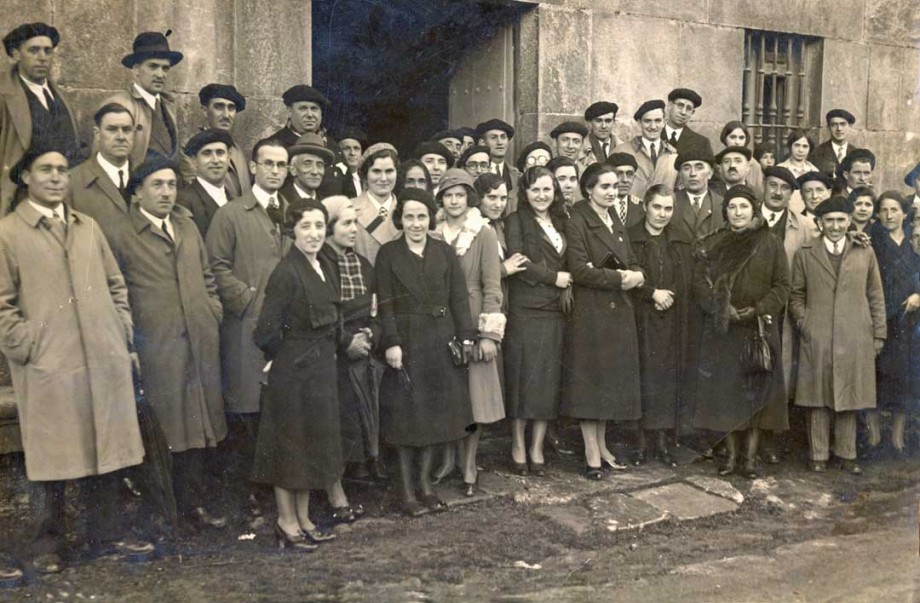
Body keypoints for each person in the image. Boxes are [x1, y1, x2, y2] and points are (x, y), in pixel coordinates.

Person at [0, 145, 153, 574]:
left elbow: (115, 284)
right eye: (45, 170)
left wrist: (120, 332)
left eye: (62, 170)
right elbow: (2, 304)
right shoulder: (8, 233)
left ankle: (106, 534)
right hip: (50, 363)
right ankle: (47, 545)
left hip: (102, 356)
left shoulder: (87, 227)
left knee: (105, 445)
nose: (55, 178)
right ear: (25, 177)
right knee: (50, 454)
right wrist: (28, 346)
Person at [107, 157, 228, 529]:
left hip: (198, 340)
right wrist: (130, 342)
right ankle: (164, 513)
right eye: (157, 185)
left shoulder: (186, 226)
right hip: (156, 347)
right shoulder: (120, 234)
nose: (166, 192)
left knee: (198, 424)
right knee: (165, 429)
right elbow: (114, 292)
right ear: (137, 192)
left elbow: (206, 276)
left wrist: (211, 311)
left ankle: (193, 506)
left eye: (172, 185)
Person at [376, 187, 475, 516]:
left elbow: (458, 298)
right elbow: (385, 304)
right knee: (407, 419)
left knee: (433, 418)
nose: (416, 223)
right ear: (400, 219)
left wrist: (466, 337)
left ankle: (425, 486)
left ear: (431, 218)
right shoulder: (389, 254)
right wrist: (391, 342)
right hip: (407, 344)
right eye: (409, 217)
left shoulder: (444, 252)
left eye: (421, 217)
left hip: (439, 342)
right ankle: (406, 492)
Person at [252, 199, 344, 550]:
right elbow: (265, 332)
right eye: (306, 226)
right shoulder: (286, 272)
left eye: (319, 226)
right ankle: (286, 521)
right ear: (293, 231)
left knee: (310, 443)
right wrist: (287, 356)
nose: (314, 233)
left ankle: (304, 518)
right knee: (290, 445)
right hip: (293, 373)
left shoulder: (324, 265)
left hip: (320, 370)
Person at [206, 138, 291, 513]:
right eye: (268, 163)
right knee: (246, 405)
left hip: (286, 326)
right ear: (253, 167)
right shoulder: (231, 214)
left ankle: (278, 485)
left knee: (279, 404)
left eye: (281, 165)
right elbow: (215, 266)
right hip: (246, 327)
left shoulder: (291, 213)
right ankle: (247, 491)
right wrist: (247, 299)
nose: (275, 170)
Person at [692, 185, 790, 478]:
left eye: (744, 207)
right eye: (732, 207)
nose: (738, 212)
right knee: (727, 396)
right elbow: (700, 284)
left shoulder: (770, 243)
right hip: (725, 332)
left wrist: (758, 309)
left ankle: (750, 459)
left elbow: (782, 285)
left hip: (759, 331)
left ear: (754, 210)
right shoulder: (714, 243)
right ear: (725, 212)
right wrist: (722, 308)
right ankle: (731, 457)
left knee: (756, 398)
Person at [789, 195, 886, 474]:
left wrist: (878, 333)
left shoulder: (864, 251)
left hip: (855, 333)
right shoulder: (806, 252)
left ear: (849, 221)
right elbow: (796, 295)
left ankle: (846, 453)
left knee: (850, 392)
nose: (835, 226)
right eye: (829, 220)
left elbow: (875, 294)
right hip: (818, 333)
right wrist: (805, 322)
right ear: (820, 223)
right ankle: (818, 454)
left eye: (841, 220)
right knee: (817, 395)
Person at [563, 162, 644, 479]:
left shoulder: (614, 219)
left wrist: (637, 274)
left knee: (608, 383)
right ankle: (591, 452)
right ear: (588, 189)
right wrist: (620, 278)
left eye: (614, 186)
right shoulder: (578, 220)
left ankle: (602, 445)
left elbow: (631, 259)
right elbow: (579, 269)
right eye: (604, 186)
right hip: (592, 312)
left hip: (618, 310)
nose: (612, 191)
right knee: (591, 385)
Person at [433, 169, 505, 495]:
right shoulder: (433, 233)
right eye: (448, 195)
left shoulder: (483, 233)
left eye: (460, 195)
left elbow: (492, 285)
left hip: (473, 319)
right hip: (441, 321)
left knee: (474, 396)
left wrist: (489, 334)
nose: (454, 201)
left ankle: (470, 463)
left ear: (469, 198)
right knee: (448, 393)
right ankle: (447, 460)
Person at [504, 166, 570, 475]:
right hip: (526, 309)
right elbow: (519, 262)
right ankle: (518, 445)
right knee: (523, 379)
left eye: (547, 189)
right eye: (535, 190)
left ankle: (537, 447)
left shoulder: (562, 220)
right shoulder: (515, 221)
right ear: (525, 193)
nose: (542, 196)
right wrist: (553, 277)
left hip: (555, 310)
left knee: (546, 381)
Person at [320, 196, 384, 486]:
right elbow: (322, 313)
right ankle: (343, 470)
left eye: (355, 223)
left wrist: (370, 335)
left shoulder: (363, 264)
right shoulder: (319, 264)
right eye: (346, 223)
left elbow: (377, 310)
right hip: (333, 349)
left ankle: (366, 459)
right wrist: (347, 342)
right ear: (329, 226)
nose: (354, 229)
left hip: (364, 347)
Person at [628, 185, 694, 466]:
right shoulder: (630, 237)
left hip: (671, 319)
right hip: (640, 318)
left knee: (667, 378)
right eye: (657, 207)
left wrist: (670, 296)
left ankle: (664, 441)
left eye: (668, 209)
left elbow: (687, 277)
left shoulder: (679, 240)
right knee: (643, 376)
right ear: (645, 206)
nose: (662, 214)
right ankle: (640, 442)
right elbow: (624, 275)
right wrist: (651, 294)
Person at [0, 23, 78, 215]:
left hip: (62, 198)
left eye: (47, 51)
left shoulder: (60, 97)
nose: (42, 57)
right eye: (33, 50)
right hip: (18, 198)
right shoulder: (4, 97)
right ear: (16, 54)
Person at [870, 191, 920, 458]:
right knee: (876, 376)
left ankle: (898, 439)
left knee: (903, 377)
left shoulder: (915, 241)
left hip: (908, 320)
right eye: (884, 210)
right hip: (880, 317)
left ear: (904, 213)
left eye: (894, 210)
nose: (889, 215)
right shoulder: (872, 240)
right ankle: (874, 437)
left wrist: (919, 295)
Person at [105, 31, 182, 165]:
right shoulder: (119, 105)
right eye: (153, 67)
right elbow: (108, 160)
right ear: (136, 69)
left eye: (165, 68)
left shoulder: (168, 105)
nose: (160, 75)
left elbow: (176, 153)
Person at [69, 103, 136, 240]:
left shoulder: (148, 178)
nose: (121, 137)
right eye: (112, 129)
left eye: (126, 130)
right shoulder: (72, 181)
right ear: (97, 134)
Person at [269, 84, 343, 198]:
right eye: (303, 108)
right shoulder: (273, 146)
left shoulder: (333, 146)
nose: (310, 115)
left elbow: (348, 190)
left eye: (314, 109)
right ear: (289, 112)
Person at [178, 84, 251, 197]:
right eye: (219, 107)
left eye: (231, 108)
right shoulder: (190, 147)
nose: (226, 115)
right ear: (205, 111)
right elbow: (197, 192)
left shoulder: (236, 149)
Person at [612, 100, 679, 200]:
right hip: (630, 209)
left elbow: (679, 192)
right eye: (647, 121)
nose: (653, 126)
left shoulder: (673, 156)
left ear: (664, 122)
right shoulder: (620, 151)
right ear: (639, 123)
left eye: (657, 121)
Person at [176, 129, 234, 237]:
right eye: (207, 153)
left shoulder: (233, 199)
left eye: (220, 153)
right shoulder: (183, 201)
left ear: (229, 157)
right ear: (194, 161)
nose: (215, 160)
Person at [351, 143, 400, 264]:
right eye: (376, 171)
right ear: (365, 175)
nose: (383, 178)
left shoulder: (406, 210)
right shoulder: (349, 209)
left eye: (389, 171)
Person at [671, 147, 724, 242]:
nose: (693, 173)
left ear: (710, 173)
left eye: (699, 168)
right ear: (680, 175)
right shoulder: (671, 203)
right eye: (686, 168)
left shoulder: (722, 204)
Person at [279, 132, 333, 202]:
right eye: (307, 164)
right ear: (293, 170)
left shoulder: (327, 204)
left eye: (319, 165)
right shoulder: (280, 202)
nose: (315, 172)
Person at [714, 122, 763, 196]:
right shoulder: (716, 163)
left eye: (741, 138)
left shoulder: (755, 165)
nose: (737, 142)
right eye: (732, 137)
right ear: (725, 138)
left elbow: (758, 191)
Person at [809, 109, 859, 179]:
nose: (839, 129)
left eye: (843, 124)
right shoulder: (818, 152)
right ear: (828, 128)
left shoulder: (856, 153)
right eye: (834, 125)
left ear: (849, 127)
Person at [662, 88, 713, 156]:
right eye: (680, 106)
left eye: (688, 108)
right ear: (670, 105)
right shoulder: (653, 134)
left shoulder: (701, 143)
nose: (683, 112)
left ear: (692, 113)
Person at [475, 119, 519, 193]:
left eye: (503, 137)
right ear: (482, 142)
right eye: (494, 137)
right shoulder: (476, 172)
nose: (500, 142)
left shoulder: (516, 175)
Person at [604, 152, 645, 228]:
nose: (625, 180)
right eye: (619, 174)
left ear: (634, 178)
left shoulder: (641, 208)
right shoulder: (599, 205)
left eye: (629, 174)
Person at [580, 101, 618, 167]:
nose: (604, 126)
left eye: (608, 121)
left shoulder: (622, 147)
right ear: (590, 123)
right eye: (598, 121)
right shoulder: (580, 148)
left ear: (614, 122)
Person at [338, 127, 368, 198]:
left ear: (361, 153)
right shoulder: (333, 179)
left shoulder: (366, 180)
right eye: (346, 148)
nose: (352, 153)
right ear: (339, 152)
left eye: (356, 148)